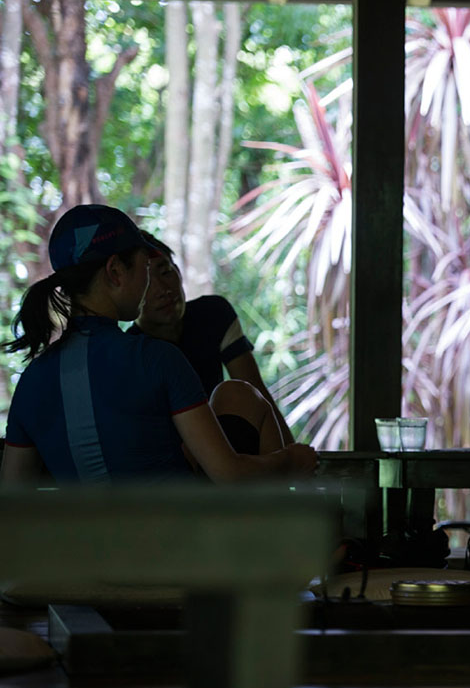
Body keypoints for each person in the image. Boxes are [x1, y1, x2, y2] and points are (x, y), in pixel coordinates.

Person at [0, 204, 316, 483]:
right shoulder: (156, 359)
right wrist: (291, 459)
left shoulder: (32, 381)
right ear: (115, 271)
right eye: (145, 269)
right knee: (240, 395)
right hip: (180, 541)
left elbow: (13, 500)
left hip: (85, 547)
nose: (152, 283)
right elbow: (228, 473)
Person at [129, 231, 295, 447]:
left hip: (223, 446)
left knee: (238, 393)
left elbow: (256, 392)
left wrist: (295, 463)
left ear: (179, 272)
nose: (163, 290)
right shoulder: (129, 350)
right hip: (170, 463)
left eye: (166, 272)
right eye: (148, 281)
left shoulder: (214, 315)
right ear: (130, 292)